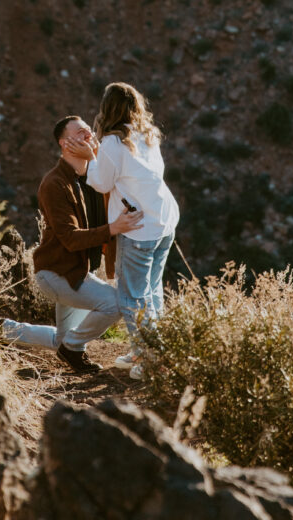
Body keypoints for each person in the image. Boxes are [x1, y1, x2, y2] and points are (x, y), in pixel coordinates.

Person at [2, 115, 144, 375]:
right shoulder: (54, 184)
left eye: (90, 131)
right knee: (115, 304)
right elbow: (70, 237)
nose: (89, 135)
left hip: (77, 272)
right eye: (80, 133)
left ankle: (3, 328)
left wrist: (98, 156)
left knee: (62, 340)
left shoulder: (91, 178)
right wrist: (114, 228)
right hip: (58, 273)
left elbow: (116, 181)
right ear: (64, 143)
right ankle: (74, 349)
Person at [65, 83, 179, 380]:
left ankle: (152, 360)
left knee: (132, 297)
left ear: (108, 109)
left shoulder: (115, 143)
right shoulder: (146, 134)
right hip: (164, 220)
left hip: (139, 228)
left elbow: (102, 183)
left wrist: (90, 157)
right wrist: (98, 155)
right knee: (152, 291)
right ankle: (148, 350)